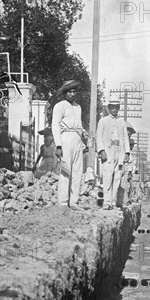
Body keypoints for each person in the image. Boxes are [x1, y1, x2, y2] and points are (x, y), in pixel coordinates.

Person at [51, 80, 84, 210]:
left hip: (77, 138)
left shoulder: (78, 107)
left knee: (77, 172)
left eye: (74, 92)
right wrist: (58, 145)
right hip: (65, 138)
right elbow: (55, 125)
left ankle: (74, 202)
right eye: (69, 92)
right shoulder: (60, 106)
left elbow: (78, 125)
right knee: (66, 170)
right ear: (65, 93)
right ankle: (63, 202)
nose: (72, 94)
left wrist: (83, 137)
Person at [96, 100, 130, 210]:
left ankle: (113, 200)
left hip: (118, 150)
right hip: (108, 150)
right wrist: (101, 150)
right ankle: (107, 201)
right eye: (112, 107)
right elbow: (99, 137)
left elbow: (125, 138)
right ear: (109, 108)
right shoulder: (103, 121)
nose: (114, 109)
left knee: (117, 176)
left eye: (117, 107)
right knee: (107, 176)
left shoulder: (122, 122)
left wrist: (127, 152)